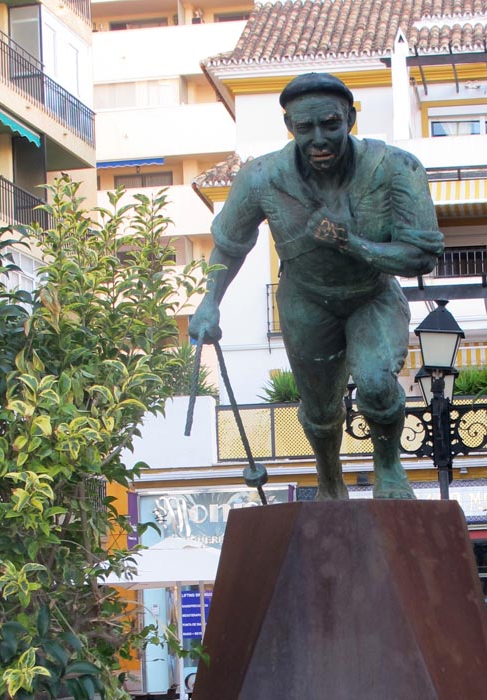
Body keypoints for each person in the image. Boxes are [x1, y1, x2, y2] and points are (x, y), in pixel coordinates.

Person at [189, 72, 443, 500]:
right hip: (306, 299)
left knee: (379, 385)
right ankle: (329, 479)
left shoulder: (396, 167)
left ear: (350, 118)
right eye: (305, 128)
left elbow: (422, 255)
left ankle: (389, 469)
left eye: (330, 124)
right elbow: (229, 246)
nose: (319, 139)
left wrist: (352, 244)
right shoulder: (260, 178)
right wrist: (209, 302)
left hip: (371, 295)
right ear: (290, 127)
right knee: (321, 409)